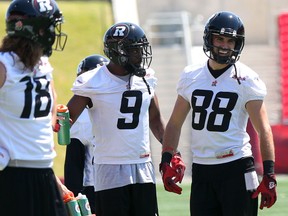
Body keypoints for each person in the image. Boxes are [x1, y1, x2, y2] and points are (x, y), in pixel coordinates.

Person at [159, 11, 277, 216]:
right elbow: (175, 123)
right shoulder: (191, 75)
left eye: (230, 41)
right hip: (202, 168)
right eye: (219, 38)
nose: (224, 45)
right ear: (209, 38)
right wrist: (165, 159)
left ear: (237, 44)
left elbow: (263, 129)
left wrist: (269, 173)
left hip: (237, 167)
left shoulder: (247, 79)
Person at [66, 22, 165, 216]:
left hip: (142, 165)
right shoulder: (92, 81)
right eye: (135, 51)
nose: (141, 55)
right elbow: (65, 119)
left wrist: (171, 151)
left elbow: (155, 119)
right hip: (109, 168)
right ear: (119, 52)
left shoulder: (147, 78)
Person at [0, 0, 69, 215]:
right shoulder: (4, 65)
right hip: (12, 174)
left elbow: (49, 111)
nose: (53, 33)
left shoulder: (43, 65)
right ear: (33, 29)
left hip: (43, 173)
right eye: (48, 26)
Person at [64, 54, 109, 214]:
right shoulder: (116, 104)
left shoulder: (81, 115)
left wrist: (72, 194)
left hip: (93, 187)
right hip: (120, 180)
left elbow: (74, 163)